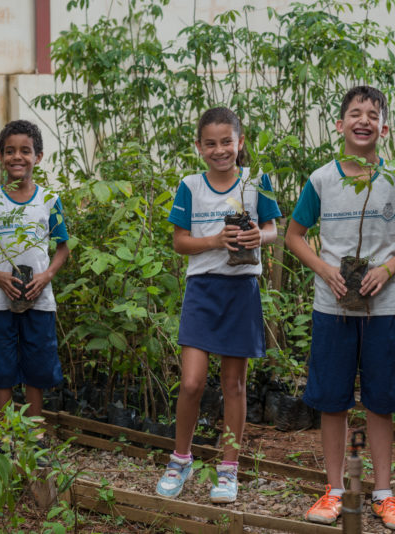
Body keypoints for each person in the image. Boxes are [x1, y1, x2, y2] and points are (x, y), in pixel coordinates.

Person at [286, 86, 395, 531]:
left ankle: (384, 494)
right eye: (354, 113)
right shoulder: (322, 179)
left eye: (372, 115)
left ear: (384, 127)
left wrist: (386, 269)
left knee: (381, 401)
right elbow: (293, 235)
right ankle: (334, 490)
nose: (363, 120)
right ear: (340, 124)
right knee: (333, 400)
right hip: (333, 309)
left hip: (383, 309)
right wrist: (325, 269)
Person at [158, 107, 282, 503]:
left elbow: (273, 229)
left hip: (240, 288)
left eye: (226, 141)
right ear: (199, 147)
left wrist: (256, 239)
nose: (219, 150)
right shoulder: (190, 186)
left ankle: (228, 470)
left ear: (240, 142)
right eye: (210, 143)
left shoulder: (255, 182)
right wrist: (215, 240)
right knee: (192, 381)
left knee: (234, 384)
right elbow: (179, 243)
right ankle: (181, 458)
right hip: (202, 291)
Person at [0, 120, 70, 441]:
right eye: (10, 151)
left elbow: (62, 247)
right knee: (0, 368)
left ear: (38, 157)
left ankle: (34, 436)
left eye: (25, 151)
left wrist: (46, 275)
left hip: (39, 300)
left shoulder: (49, 200)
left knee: (37, 365)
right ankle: (5, 436)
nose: (17, 157)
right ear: (0, 156)